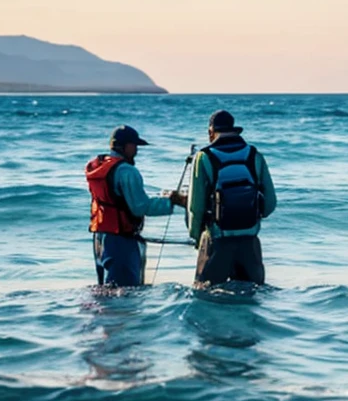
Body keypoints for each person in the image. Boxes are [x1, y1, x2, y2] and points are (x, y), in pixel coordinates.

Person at [86, 125, 187, 287]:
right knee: (125, 292)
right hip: (120, 241)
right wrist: (172, 201)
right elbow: (140, 207)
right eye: (134, 146)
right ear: (123, 146)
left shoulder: (98, 166)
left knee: (106, 291)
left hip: (100, 237)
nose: (136, 151)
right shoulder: (127, 171)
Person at [187, 110, 277, 286]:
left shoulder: (204, 157)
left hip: (216, 241)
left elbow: (195, 207)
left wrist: (197, 237)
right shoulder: (253, 155)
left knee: (208, 299)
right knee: (250, 300)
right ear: (235, 130)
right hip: (250, 244)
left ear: (210, 132)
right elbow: (271, 203)